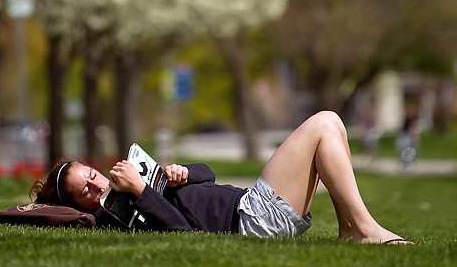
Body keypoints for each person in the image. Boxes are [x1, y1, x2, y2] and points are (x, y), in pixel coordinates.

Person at [31, 111, 412, 244]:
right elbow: (182, 234)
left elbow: (209, 177)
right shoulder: (121, 214)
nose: (98, 184)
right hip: (250, 219)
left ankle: (350, 228)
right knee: (324, 124)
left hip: (250, 207)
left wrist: (182, 174)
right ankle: (363, 228)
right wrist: (143, 191)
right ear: (78, 204)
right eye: (86, 188)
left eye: (93, 175)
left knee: (333, 127)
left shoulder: (132, 186)